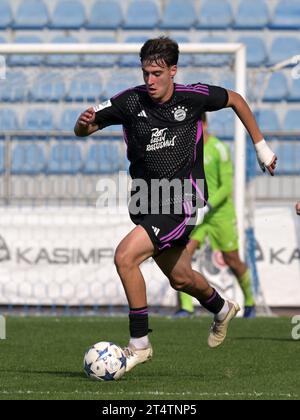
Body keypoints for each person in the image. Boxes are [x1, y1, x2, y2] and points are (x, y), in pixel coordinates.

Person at [74, 37, 277, 373]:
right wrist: (83, 125)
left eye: (156, 73)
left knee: (125, 257)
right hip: (146, 200)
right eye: (145, 73)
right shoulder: (129, 101)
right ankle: (221, 307)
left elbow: (236, 100)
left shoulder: (192, 97)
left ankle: (139, 344)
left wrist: (261, 147)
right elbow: (87, 126)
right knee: (181, 278)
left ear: (172, 70)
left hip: (184, 198)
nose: (150, 80)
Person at [175, 113, 256, 319]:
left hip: (219, 213)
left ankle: (250, 301)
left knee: (232, 260)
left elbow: (226, 185)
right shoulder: (185, 149)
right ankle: (186, 307)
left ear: (204, 123)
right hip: (196, 213)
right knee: (182, 255)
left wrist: (208, 205)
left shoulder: (219, 148)